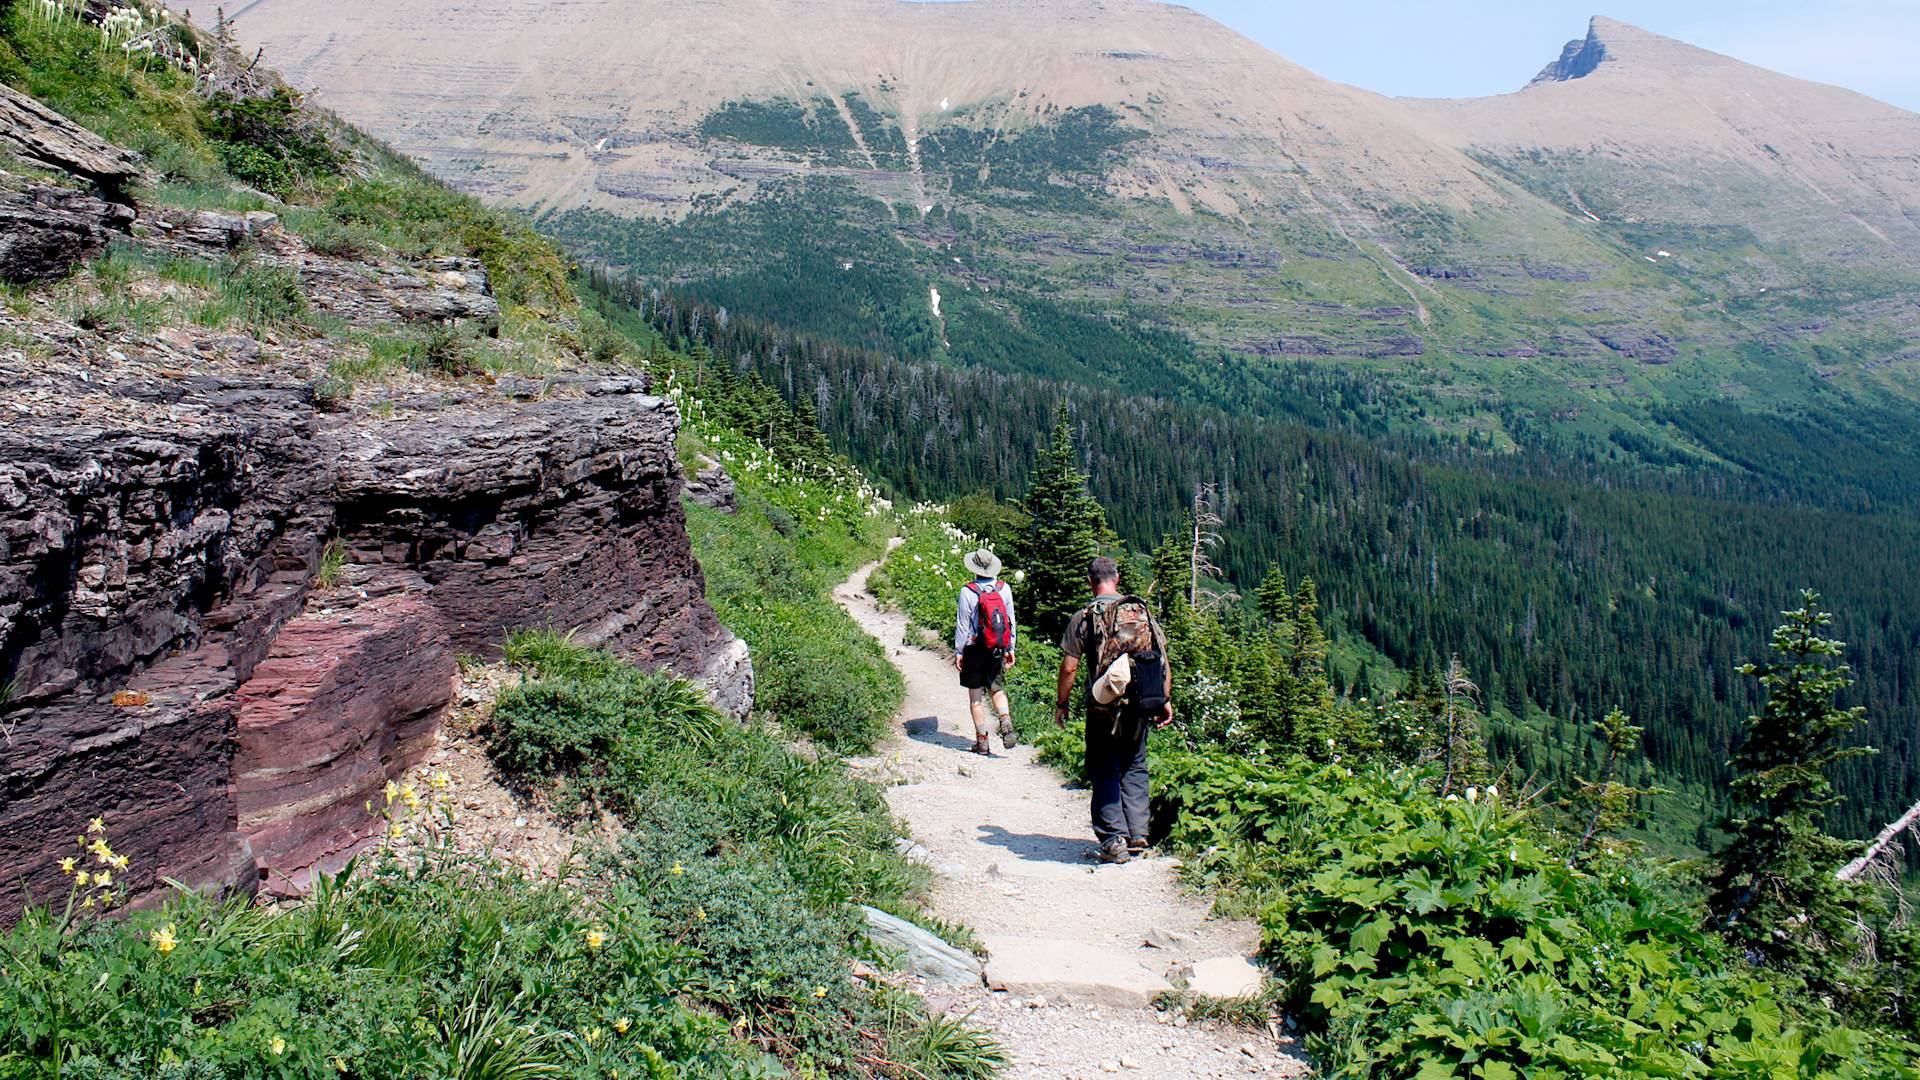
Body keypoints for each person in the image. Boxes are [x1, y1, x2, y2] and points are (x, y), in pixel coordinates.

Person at [1054, 556, 1174, 864]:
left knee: (1104, 765)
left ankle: (1112, 839)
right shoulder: (1139, 612)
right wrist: (1164, 699)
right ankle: (1137, 834)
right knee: (1134, 763)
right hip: (1140, 703)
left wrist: (1062, 703)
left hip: (1103, 706)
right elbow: (1161, 658)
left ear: (1090, 581)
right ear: (1117, 578)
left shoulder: (1084, 617)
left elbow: (1069, 667)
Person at [954, 547, 1018, 756]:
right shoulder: (1003, 589)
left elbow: (963, 626)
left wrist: (959, 652)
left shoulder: (968, 591)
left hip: (973, 649)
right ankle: (1005, 720)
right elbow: (1010, 621)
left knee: (976, 698)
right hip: (996, 648)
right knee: (996, 689)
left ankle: (982, 743)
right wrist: (1010, 647)